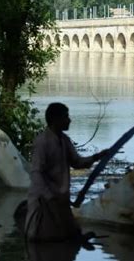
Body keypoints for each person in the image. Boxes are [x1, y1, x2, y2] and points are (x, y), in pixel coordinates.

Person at [25, 102, 109, 242]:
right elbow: (36, 173)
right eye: (66, 116)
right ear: (55, 119)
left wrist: (97, 156)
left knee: (66, 238)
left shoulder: (65, 140)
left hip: (60, 200)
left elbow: (77, 162)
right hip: (43, 201)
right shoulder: (42, 142)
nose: (69, 120)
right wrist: (49, 196)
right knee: (39, 240)